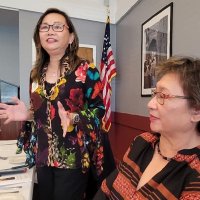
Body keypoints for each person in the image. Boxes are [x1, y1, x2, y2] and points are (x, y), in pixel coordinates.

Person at [0, 8, 105, 200]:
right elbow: (40, 112)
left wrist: (74, 117)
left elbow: (99, 111)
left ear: (71, 37)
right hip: (43, 155)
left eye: (58, 27)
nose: (50, 31)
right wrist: (27, 115)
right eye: (45, 27)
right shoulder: (35, 74)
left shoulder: (86, 70)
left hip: (72, 157)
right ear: (38, 36)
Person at [94, 56, 200, 199]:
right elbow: (106, 190)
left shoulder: (195, 175)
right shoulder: (142, 142)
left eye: (163, 95)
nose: (150, 104)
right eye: (155, 94)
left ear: (196, 111)